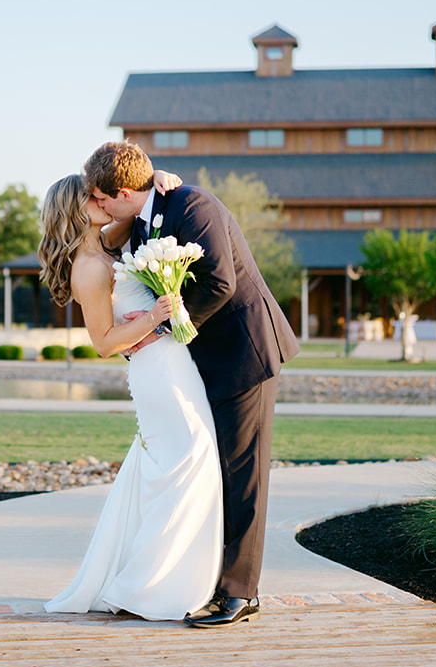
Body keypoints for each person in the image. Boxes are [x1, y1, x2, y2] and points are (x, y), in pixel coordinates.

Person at [85, 141, 300, 629]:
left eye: (100, 199)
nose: (98, 207)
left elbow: (220, 283)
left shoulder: (193, 205)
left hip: (245, 352)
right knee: (216, 473)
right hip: (202, 362)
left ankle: (241, 594)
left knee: (244, 476)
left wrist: (164, 328)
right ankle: (212, 583)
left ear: (120, 192)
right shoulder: (146, 216)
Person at [39, 169, 223, 622]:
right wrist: (156, 317)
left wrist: (154, 177)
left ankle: (153, 577)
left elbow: (136, 202)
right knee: (190, 461)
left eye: (103, 195)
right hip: (155, 371)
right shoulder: (88, 267)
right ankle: (152, 586)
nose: (102, 200)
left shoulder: (108, 240)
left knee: (176, 467)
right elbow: (103, 341)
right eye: (91, 197)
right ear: (74, 208)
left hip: (173, 363)